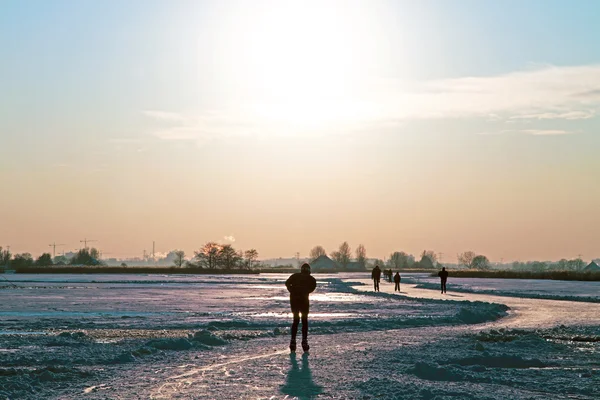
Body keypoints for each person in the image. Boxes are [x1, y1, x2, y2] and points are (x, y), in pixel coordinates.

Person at [285, 263, 317, 352]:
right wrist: (305, 291)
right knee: (304, 320)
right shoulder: (310, 279)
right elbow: (313, 287)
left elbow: (287, 283)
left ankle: (294, 340)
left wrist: (292, 290)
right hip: (303, 301)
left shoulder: (295, 276)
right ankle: (303, 340)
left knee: (296, 320)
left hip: (295, 300)